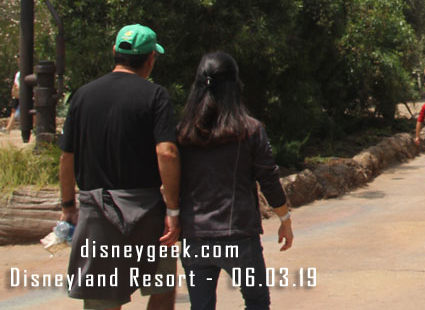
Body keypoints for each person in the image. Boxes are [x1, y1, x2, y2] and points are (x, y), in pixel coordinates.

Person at [58, 24, 180, 309]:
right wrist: (173, 210)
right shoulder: (155, 96)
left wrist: (67, 206)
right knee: (161, 290)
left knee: (102, 300)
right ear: (151, 59)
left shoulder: (82, 96)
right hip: (147, 212)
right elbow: (167, 152)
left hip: (97, 212)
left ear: (114, 52)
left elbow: (66, 157)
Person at [177, 52, 293, 309]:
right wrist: (285, 220)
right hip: (239, 236)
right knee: (257, 303)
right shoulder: (250, 130)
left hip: (195, 237)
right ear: (235, 85)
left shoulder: (182, 133)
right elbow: (269, 179)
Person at [3, 67, 19, 134]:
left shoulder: (23, 73)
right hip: (18, 94)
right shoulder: (18, 73)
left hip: (22, 94)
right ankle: (8, 129)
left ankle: (37, 127)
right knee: (13, 111)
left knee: (31, 112)